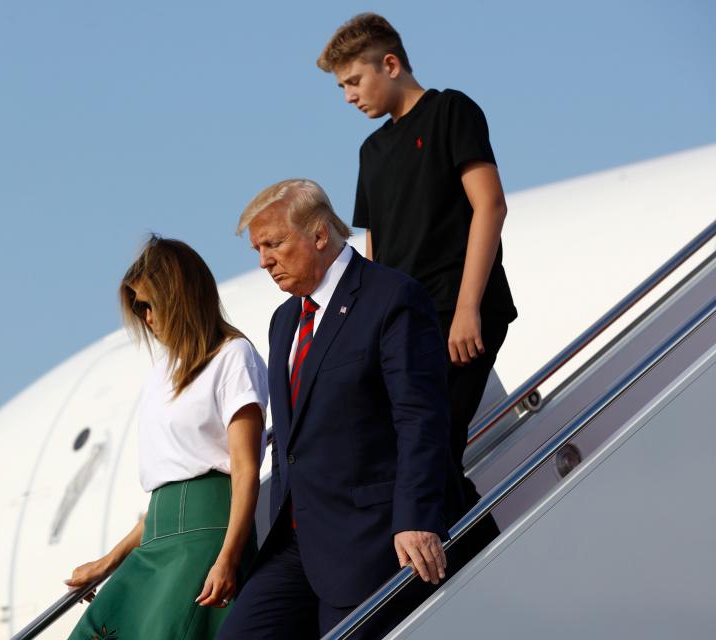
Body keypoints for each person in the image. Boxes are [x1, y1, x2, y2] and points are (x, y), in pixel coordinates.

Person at [218, 180, 463, 639]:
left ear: (318, 234)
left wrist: (415, 518)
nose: (263, 261)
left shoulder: (391, 297)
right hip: (297, 540)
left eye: (273, 244)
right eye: (258, 249)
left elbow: (420, 418)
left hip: (369, 539)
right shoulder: (285, 319)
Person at [316, 13, 518, 546]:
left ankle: (484, 554)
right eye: (341, 88)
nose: (348, 97)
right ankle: (477, 554)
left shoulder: (452, 110)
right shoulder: (371, 151)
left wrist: (469, 307)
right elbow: (375, 251)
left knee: (433, 443)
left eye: (353, 81)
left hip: (459, 311)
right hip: (406, 325)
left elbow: (489, 206)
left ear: (391, 63)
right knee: (419, 448)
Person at [64, 236, 268, 640]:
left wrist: (228, 558)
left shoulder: (233, 356)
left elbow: (244, 470)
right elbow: (169, 484)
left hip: (207, 542)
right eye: (137, 307)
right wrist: (110, 560)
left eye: (149, 304)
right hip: (156, 540)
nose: (146, 317)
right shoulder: (162, 373)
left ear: (179, 298)